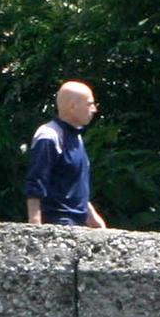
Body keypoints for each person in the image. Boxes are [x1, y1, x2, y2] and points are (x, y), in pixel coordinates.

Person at [23, 80, 109, 230]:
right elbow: (37, 180)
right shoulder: (50, 135)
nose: (94, 109)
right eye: (90, 104)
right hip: (57, 222)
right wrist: (35, 225)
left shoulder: (77, 137)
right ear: (73, 106)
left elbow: (73, 182)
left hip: (79, 222)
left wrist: (91, 215)